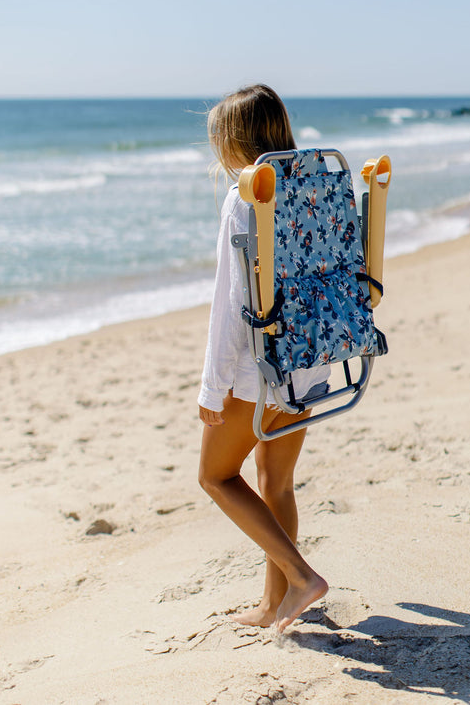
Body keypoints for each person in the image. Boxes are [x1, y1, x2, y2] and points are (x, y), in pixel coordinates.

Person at [197, 84, 329, 632]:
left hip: (260, 369)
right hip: (310, 359)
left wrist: (212, 387)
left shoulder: (247, 193)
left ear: (234, 142)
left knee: (216, 476)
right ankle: (275, 606)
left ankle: (302, 578)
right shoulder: (316, 183)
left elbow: (231, 304)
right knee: (276, 482)